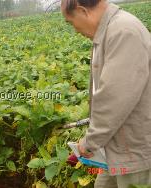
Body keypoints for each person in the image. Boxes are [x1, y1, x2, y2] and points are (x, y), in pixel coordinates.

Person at [61, 0, 151, 187]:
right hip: (115, 146)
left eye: (71, 22)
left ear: (82, 10)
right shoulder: (108, 32)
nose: (75, 30)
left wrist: (90, 141)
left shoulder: (123, 32)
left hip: (135, 151)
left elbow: (113, 100)